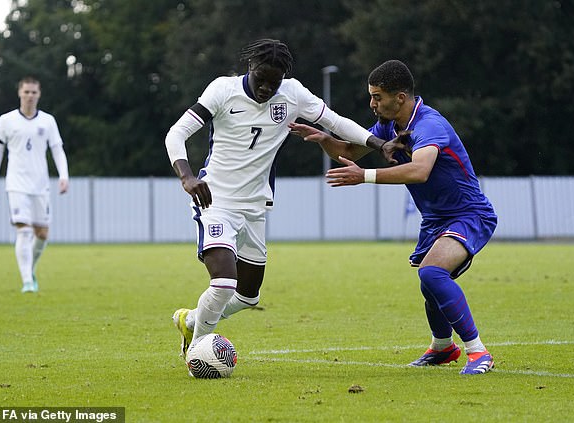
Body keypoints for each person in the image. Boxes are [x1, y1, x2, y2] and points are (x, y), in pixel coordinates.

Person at [165, 39, 398, 366]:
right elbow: (175, 134)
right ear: (250, 67)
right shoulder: (221, 90)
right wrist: (188, 177)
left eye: (273, 82)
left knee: (247, 296)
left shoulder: (292, 94)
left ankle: (190, 322)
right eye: (261, 78)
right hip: (214, 200)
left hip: (255, 208)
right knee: (223, 282)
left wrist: (379, 143)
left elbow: (335, 122)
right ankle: (198, 354)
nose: (266, 87)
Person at [288, 59, 497, 375]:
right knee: (430, 283)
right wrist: (324, 139)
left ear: (400, 98)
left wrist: (366, 177)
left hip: (468, 214)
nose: (372, 103)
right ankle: (443, 347)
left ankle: (478, 352)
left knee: (432, 274)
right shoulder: (387, 127)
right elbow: (349, 150)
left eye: (377, 97)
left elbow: (420, 170)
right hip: (436, 220)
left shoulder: (429, 125)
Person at [0, 76, 69, 293]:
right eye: (26, 92)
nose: (30, 96)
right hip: (16, 184)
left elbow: (57, 149)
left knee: (42, 235)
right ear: (19, 93)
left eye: (34, 92)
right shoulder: (6, 121)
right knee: (24, 231)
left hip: (40, 185)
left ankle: (29, 270)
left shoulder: (48, 121)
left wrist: (64, 175)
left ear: (39, 94)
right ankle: (27, 282)